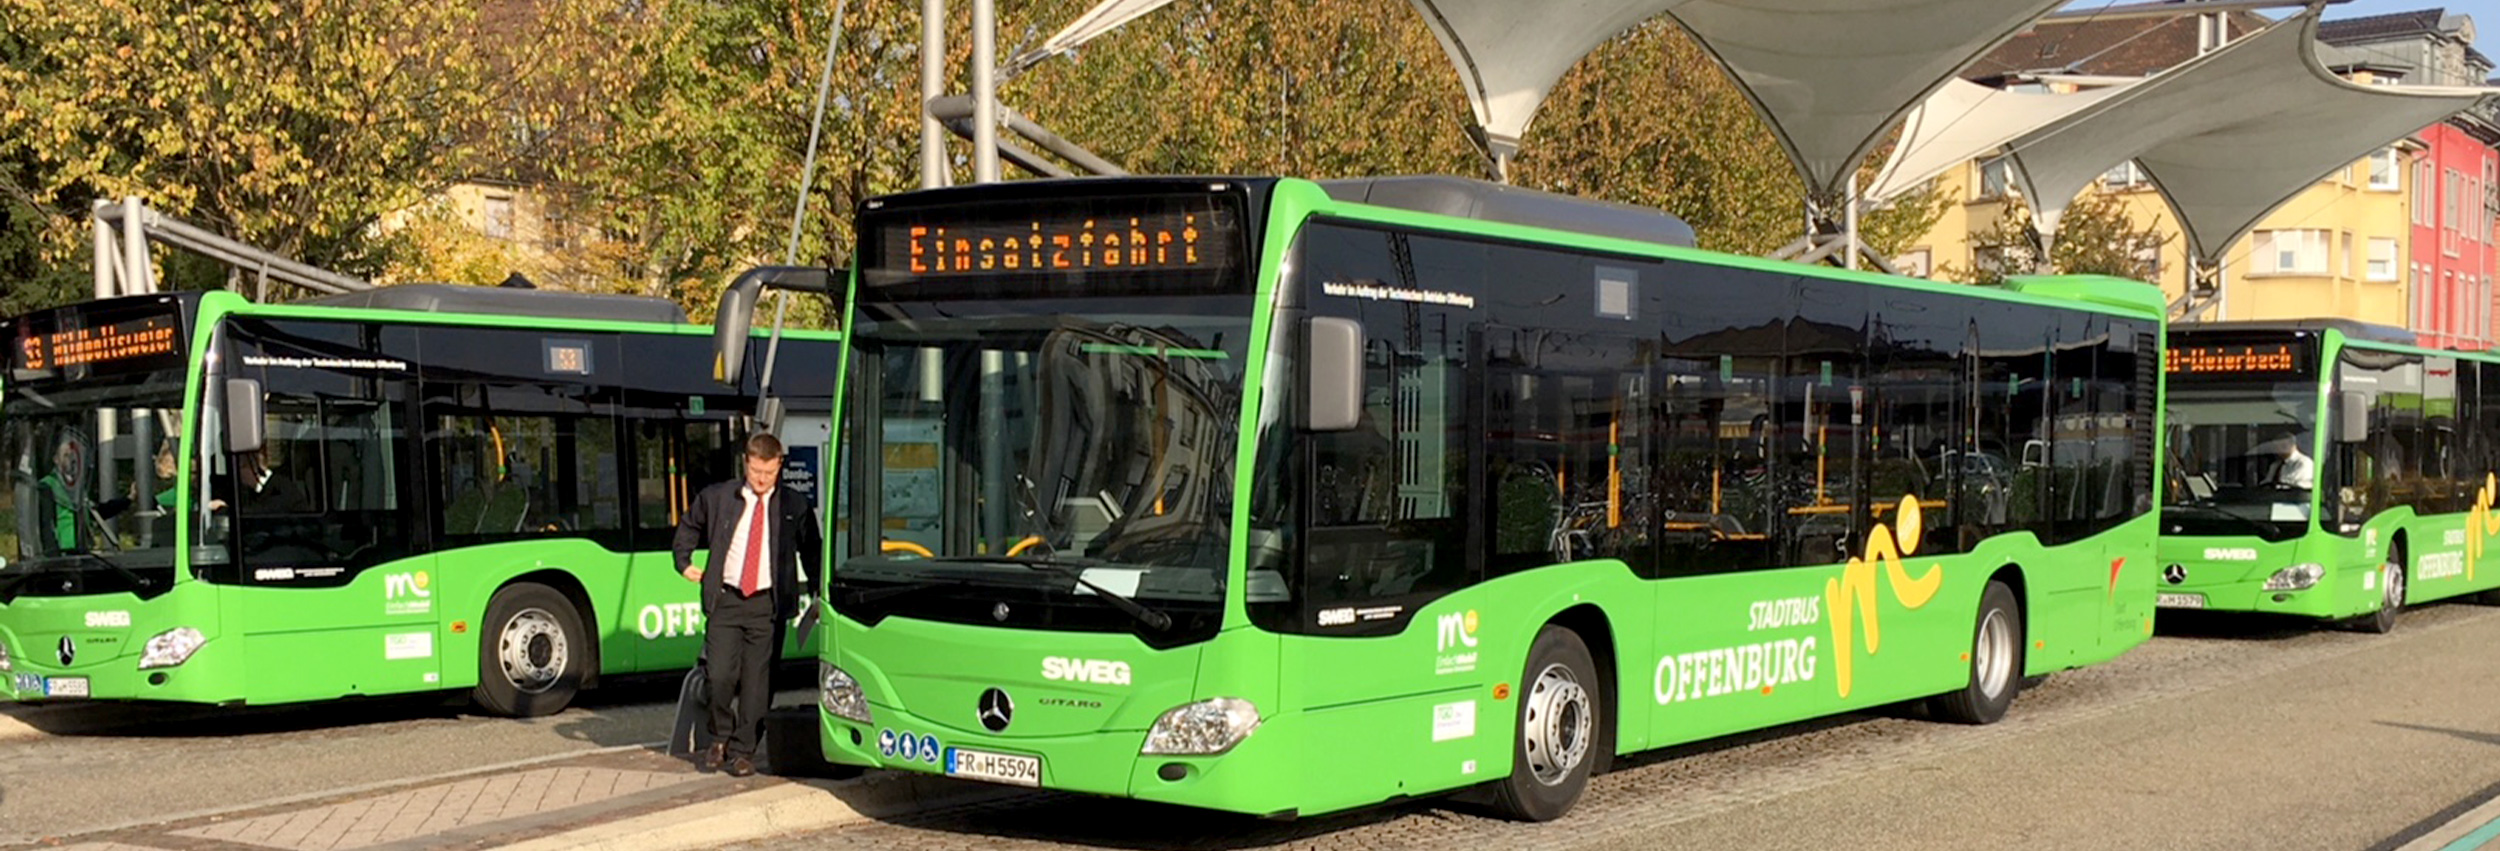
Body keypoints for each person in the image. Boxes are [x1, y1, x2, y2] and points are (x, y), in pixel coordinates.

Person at [672, 432, 823, 777]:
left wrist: (818, 592)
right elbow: (689, 526)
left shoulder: (793, 506)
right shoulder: (719, 497)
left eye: (769, 473)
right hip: (726, 598)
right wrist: (684, 562)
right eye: (756, 471)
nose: (761, 479)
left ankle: (744, 751)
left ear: (779, 466)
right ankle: (719, 736)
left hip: (766, 606)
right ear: (746, 462)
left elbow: (812, 550)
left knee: (758, 683)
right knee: (720, 675)